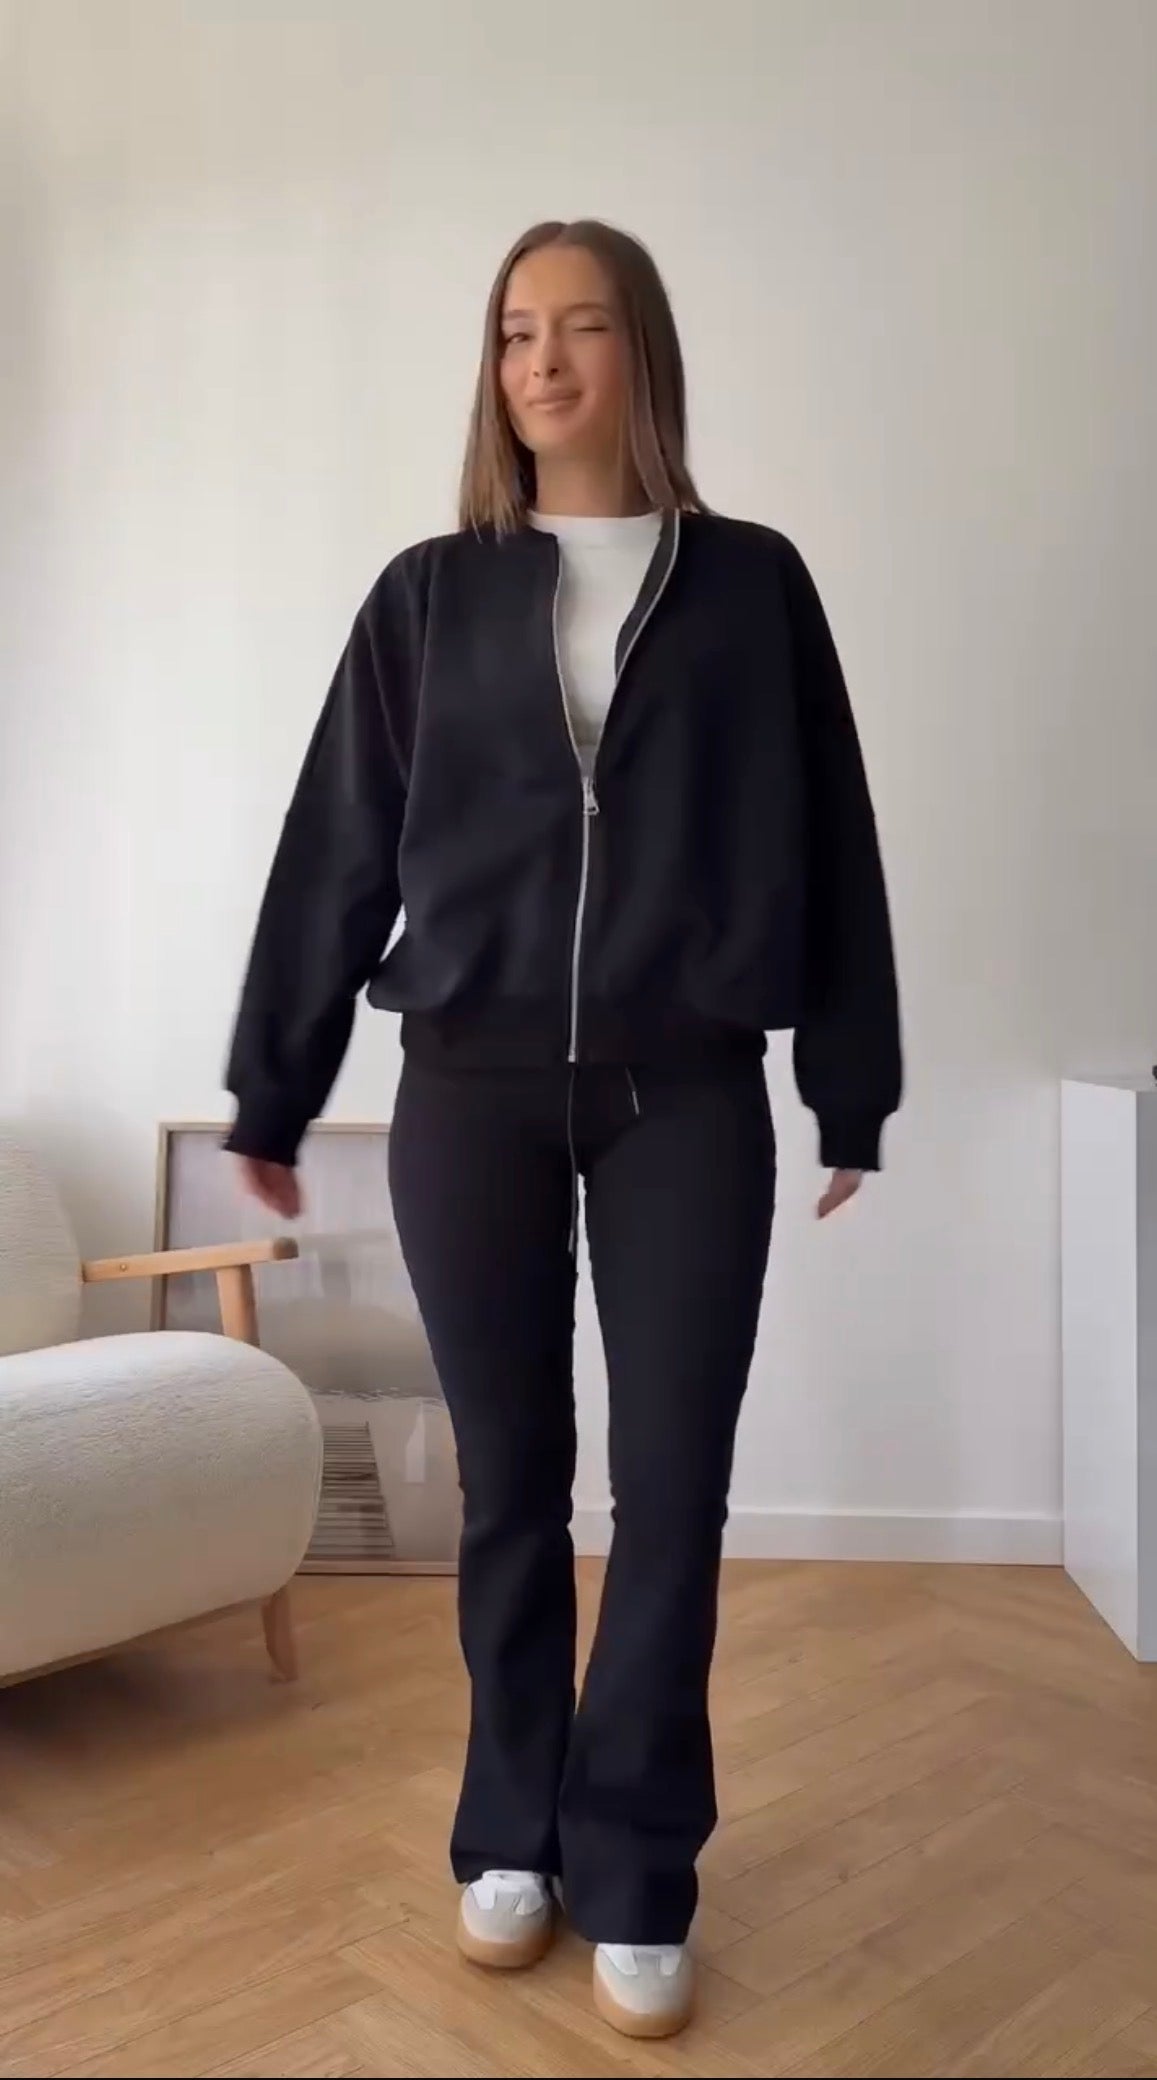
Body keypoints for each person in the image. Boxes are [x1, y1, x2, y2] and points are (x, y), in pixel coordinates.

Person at [225, 218, 901, 2039]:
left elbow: (831, 832)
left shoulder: (750, 584)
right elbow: (335, 848)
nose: (542, 358)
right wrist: (277, 1082)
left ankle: (640, 1862)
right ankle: (508, 1831)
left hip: (689, 1089)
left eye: (580, 325)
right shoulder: (426, 596)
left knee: (670, 1488)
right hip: (470, 1088)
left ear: (638, 354)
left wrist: (849, 1082)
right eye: (516, 329)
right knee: (512, 1485)